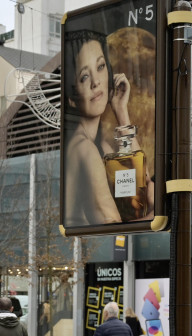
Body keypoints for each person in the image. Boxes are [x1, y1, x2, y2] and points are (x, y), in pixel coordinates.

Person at [63, 29, 154, 227]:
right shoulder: (85, 149)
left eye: (101, 66)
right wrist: (155, 215)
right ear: (71, 97)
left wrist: (121, 111)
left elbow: (142, 180)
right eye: (84, 77)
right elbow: (113, 225)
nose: (96, 82)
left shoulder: (100, 145)